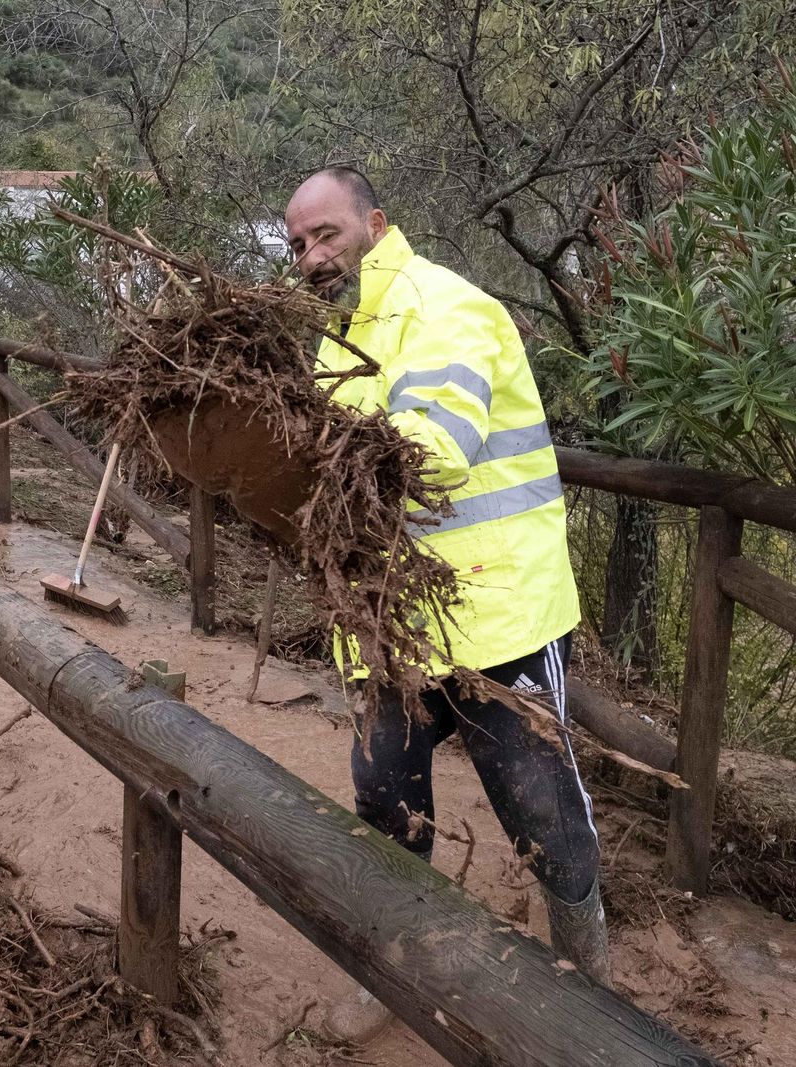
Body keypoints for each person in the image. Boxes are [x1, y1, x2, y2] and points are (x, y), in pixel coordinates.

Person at [283, 168, 603, 1042]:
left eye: (326, 234)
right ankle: (396, 968)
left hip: (500, 621)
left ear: (375, 224)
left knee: (543, 816)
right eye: (299, 244)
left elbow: (428, 451)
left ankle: (591, 989)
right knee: (384, 803)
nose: (312, 256)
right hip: (388, 628)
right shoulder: (334, 338)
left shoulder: (448, 308)